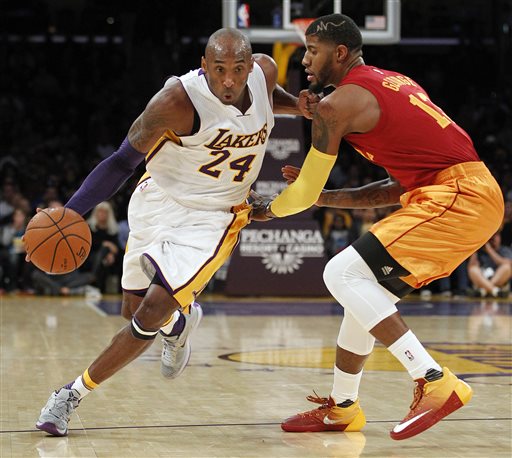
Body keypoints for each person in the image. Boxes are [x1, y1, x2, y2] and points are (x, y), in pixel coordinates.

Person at [33, 27, 314, 437]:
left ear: (251, 65)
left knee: (148, 314)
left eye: (238, 69)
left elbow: (270, 98)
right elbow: (120, 162)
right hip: (158, 199)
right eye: (220, 70)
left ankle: (70, 395)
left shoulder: (265, 73)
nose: (230, 80)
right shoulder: (176, 102)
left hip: (214, 217)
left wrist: (298, 108)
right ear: (205, 67)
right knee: (131, 310)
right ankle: (180, 327)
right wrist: (71, 213)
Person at [251, 14, 504, 440]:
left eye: (313, 50)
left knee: (340, 272)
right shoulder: (392, 82)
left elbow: (302, 192)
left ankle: (433, 380)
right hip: (461, 192)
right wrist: (326, 197)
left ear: (341, 53)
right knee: (365, 296)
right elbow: (396, 186)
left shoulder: (337, 105)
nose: (306, 59)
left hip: (459, 195)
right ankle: (343, 407)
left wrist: (267, 210)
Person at [467, 231, 512, 297]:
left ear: (500, 238)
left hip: (498, 281)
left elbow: (507, 263)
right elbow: (471, 267)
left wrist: (489, 250)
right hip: (482, 278)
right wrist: (475, 249)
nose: (493, 239)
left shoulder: (504, 250)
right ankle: (495, 291)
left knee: (507, 267)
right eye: (491, 238)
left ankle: (484, 290)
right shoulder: (480, 251)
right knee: (473, 269)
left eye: (495, 236)